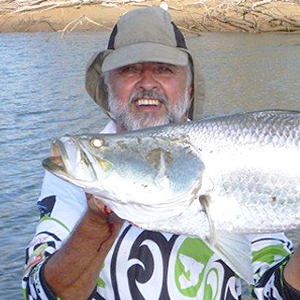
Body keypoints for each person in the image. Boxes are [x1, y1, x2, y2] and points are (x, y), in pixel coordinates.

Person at [22, 7, 300, 300]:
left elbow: (276, 292)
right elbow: (37, 293)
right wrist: (95, 222)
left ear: (190, 88)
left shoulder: (244, 156)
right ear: (106, 85)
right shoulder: (76, 176)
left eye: (164, 69)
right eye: (129, 69)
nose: (147, 82)